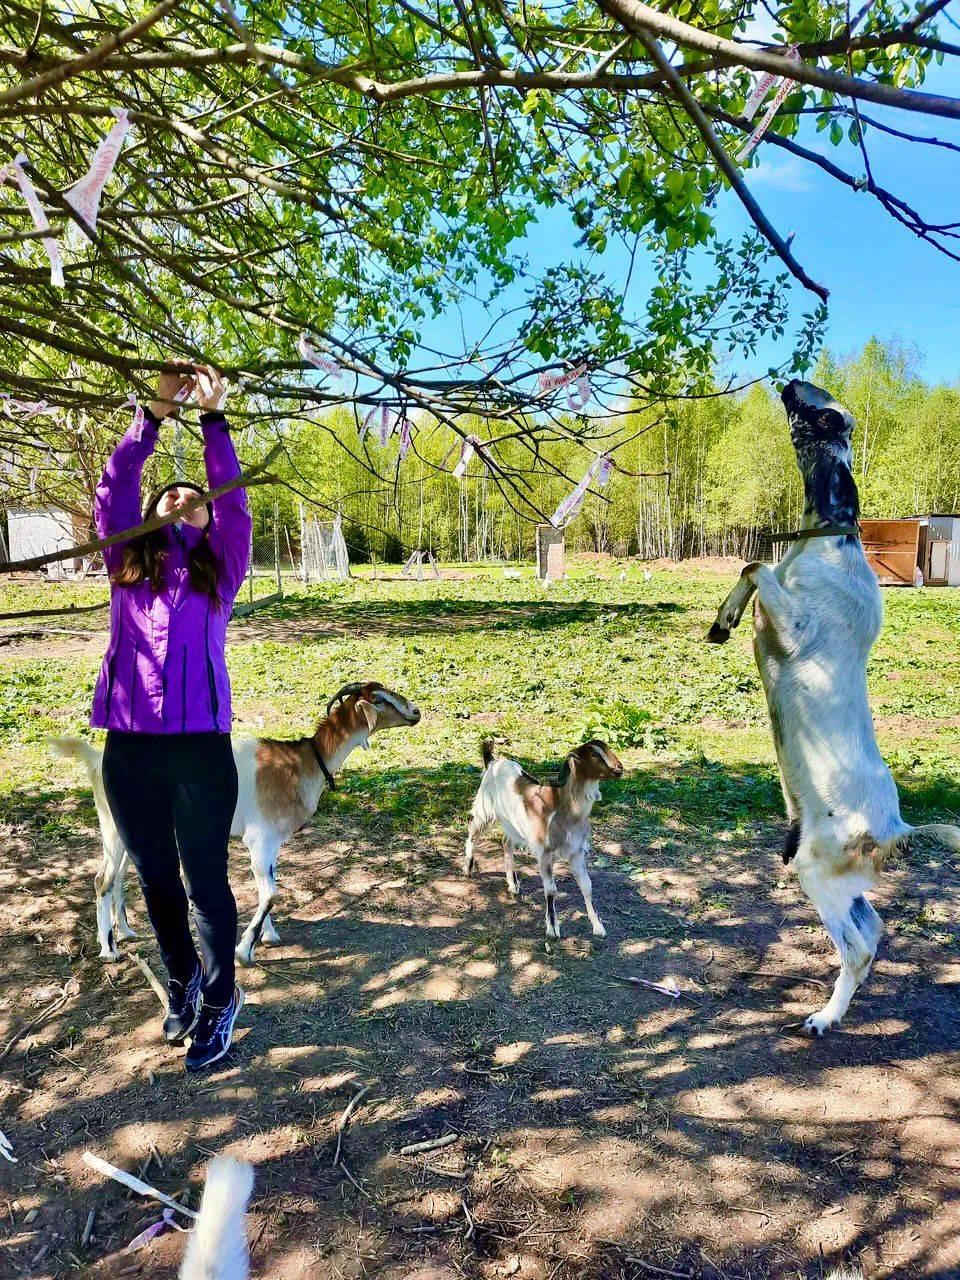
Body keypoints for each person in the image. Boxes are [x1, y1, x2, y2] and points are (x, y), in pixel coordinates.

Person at [91, 366, 251, 1072]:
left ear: (208, 517)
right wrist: (153, 413)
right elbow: (115, 488)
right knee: (156, 877)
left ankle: (220, 999)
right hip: (128, 747)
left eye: (193, 497)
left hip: (198, 750)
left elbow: (234, 504)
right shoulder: (126, 561)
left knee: (204, 882)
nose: (180, 499)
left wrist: (213, 420)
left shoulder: (222, 568)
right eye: (168, 495)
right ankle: (183, 978)